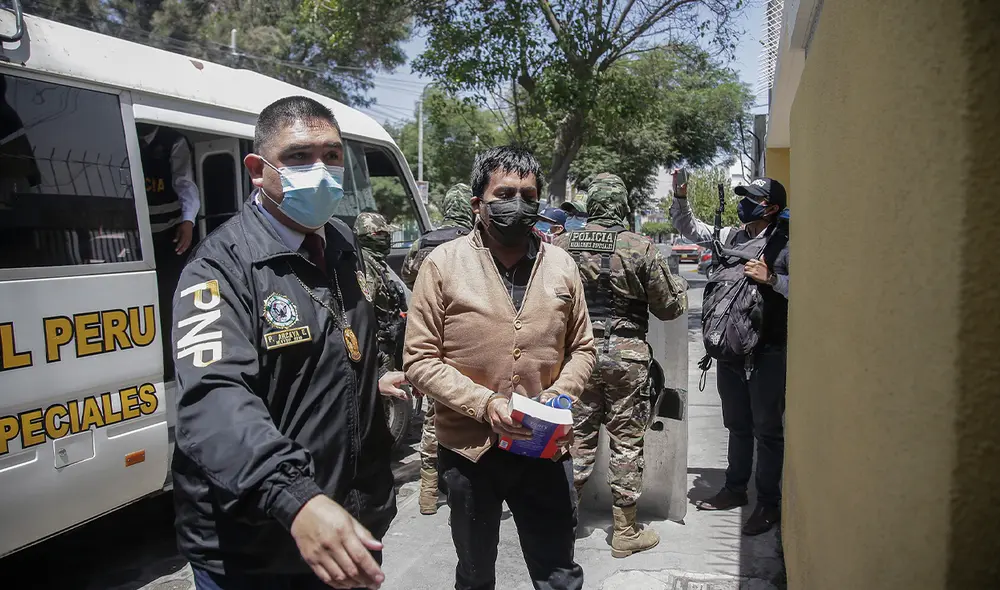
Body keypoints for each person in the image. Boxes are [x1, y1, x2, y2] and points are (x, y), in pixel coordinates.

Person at [171, 96, 397, 590]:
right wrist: (295, 499)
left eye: (332, 155)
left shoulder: (340, 242)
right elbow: (213, 399)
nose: (320, 170)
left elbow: (327, 346)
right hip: (259, 546)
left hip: (345, 528)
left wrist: (373, 379)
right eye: (299, 156)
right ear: (257, 169)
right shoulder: (217, 267)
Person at [404, 145, 596, 590]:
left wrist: (560, 396)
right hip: (471, 453)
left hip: (544, 452)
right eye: (505, 193)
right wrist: (484, 403)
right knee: (474, 575)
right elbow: (419, 358)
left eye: (528, 196)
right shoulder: (442, 265)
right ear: (478, 204)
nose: (518, 205)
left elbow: (583, 349)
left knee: (559, 575)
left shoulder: (562, 265)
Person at [554, 173, 688, 557]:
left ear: (592, 204)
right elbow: (669, 307)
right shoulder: (639, 246)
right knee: (626, 441)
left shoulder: (562, 245)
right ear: (622, 205)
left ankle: (564, 522)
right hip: (627, 357)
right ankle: (625, 532)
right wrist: (677, 287)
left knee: (576, 439)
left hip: (578, 355)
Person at [669, 175, 789, 536]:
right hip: (730, 351)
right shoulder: (731, 237)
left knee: (767, 431)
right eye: (743, 197)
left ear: (771, 207)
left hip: (767, 351)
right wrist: (680, 195)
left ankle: (768, 503)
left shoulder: (785, 244)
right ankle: (735, 489)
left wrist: (773, 280)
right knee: (737, 425)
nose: (743, 203)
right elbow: (690, 228)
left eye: (752, 198)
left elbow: (809, 290)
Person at [399, 182, 474, 515]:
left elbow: (408, 276)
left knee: (433, 412)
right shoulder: (476, 242)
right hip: (464, 339)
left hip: (432, 335)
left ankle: (429, 492)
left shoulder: (424, 242)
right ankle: (468, 486)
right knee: (471, 410)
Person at [136, 121, 200, 381]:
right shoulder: (121, 133)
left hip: (169, 235)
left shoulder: (173, 141)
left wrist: (188, 221)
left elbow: (184, 183)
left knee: (170, 300)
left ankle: (174, 368)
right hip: (135, 234)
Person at [354, 212, 408, 374]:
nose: (387, 239)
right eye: (381, 235)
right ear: (365, 237)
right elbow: (363, 312)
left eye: (388, 234)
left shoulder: (375, 263)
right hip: (377, 351)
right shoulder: (364, 265)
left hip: (388, 347)